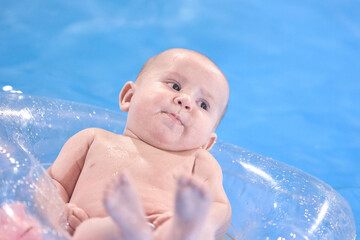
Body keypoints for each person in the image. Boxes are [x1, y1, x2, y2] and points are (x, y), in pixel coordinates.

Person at [47, 48, 232, 240]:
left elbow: (221, 210)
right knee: (91, 231)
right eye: (175, 86)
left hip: (162, 234)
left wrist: (198, 221)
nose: (186, 101)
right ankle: (125, 226)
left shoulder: (199, 161)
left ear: (206, 142)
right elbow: (52, 182)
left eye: (203, 104)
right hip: (94, 232)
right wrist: (59, 212)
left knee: (195, 232)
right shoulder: (93, 140)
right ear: (129, 97)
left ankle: (173, 229)